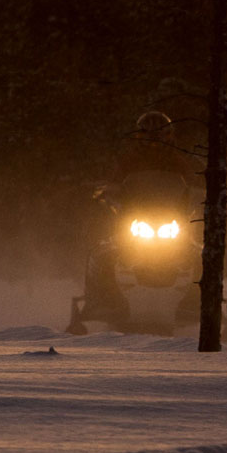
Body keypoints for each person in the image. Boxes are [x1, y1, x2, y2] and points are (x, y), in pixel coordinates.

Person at [76, 111, 200, 330]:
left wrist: (200, 194)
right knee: (103, 253)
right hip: (133, 220)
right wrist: (105, 193)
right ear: (139, 136)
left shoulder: (178, 162)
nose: (154, 141)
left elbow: (193, 185)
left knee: (200, 255)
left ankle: (195, 303)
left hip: (173, 221)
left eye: (159, 135)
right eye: (148, 135)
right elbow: (114, 182)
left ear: (169, 136)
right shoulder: (129, 161)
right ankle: (104, 302)